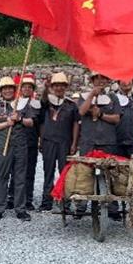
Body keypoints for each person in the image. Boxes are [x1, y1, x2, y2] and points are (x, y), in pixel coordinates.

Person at [0, 77, 36, 221]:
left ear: (15, 90)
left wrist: (20, 118)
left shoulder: (23, 104)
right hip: (3, 145)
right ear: (1, 91)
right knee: (2, 176)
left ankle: (20, 209)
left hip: (20, 146)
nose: (7, 90)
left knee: (20, 177)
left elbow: (31, 122)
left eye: (10, 88)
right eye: (5, 88)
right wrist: (6, 124)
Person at [77, 72, 121, 218]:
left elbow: (116, 118)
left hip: (108, 141)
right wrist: (91, 95)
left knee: (111, 173)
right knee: (85, 173)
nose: (101, 81)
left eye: (104, 78)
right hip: (88, 141)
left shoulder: (113, 98)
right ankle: (81, 205)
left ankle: (113, 207)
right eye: (98, 78)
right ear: (93, 80)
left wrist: (101, 114)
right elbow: (81, 111)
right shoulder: (84, 96)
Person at [39, 73, 79, 212]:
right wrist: (45, 88)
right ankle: (46, 202)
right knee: (48, 172)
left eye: (62, 85)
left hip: (65, 142)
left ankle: (65, 202)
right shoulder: (47, 102)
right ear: (52, 87)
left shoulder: (71, 105)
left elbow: (76, 124)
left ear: (66, 87)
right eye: (56, 85)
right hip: (49, 141)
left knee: (65, 172)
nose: (59, 88)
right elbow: (43, 100)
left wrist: (74, 143)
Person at [18, 74, 40, 211]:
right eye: (24, 86)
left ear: (32, 89)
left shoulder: (36, 104)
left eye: (29, 87)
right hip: (17, 141)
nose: (26, 89)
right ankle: (13, 198)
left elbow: (36, 122)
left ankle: (28, 199)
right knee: (16, 171)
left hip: (31, 141)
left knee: (29, 172)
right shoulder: (16, 103)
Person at [115, 78, 133, 160]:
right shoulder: (113, 99)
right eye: (123, 79)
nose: (126, 82)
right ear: (118, 82)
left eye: (128, 79)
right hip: (116, 145)